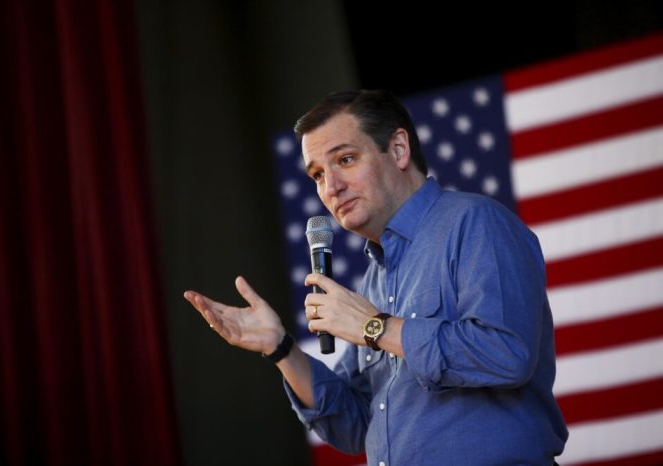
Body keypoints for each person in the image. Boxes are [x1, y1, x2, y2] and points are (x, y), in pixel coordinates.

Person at [184, 89, 568, 465]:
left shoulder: (476, 223)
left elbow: (507, 354)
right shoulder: (374, 280)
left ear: (398, 149)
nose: (330, 187)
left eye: (346, 160)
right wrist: (281, 349)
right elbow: (355, 427)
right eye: (317, 175)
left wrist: (375, 327)